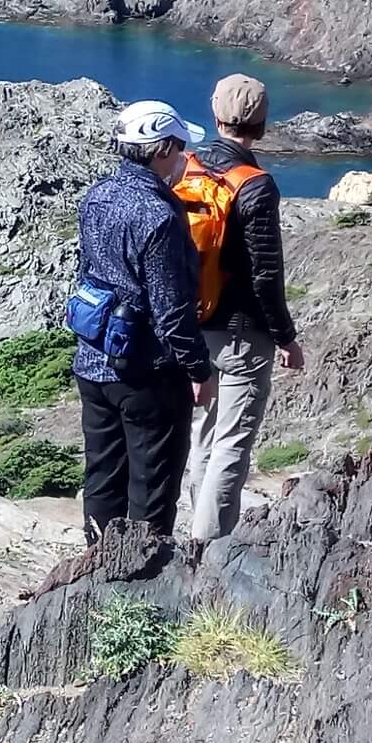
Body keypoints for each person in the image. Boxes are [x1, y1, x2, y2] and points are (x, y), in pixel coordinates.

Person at [73, 100, 217, 541]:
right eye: (180, 149)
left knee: (102, 475)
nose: (184, 160)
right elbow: (172, 311)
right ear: (162, 150)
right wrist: (200, 370)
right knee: (151, 488)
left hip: (94, 358)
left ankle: (96, 565)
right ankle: (139, 585)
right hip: (147, 373)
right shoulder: (159, 214)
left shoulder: (95, 196)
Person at [178, 75, 305, 542]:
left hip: (192, 326)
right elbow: (266, 275)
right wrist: (286, 337)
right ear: (262, 124)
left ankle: (196, 527)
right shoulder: (255, 186)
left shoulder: (185, 167)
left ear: (215, 116)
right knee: (231, 443)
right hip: (242, 333)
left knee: (203, 436)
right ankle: (209, 547)